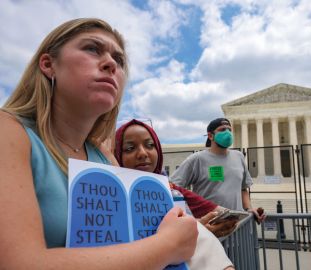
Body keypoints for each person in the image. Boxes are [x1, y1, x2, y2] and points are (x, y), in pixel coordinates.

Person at [0, 18, 197, 269]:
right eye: (92, 49)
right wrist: (168, 246)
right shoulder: (9, 130)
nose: (111, 63)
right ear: (48, 64)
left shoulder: (103, 156)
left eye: (120, 60)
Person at [114, 119, 236, 269]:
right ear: (116, 154)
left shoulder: (170, 190)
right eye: (129, 148)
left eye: (150, 145)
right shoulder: (111, 199)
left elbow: (203, 207)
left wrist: (197, 228)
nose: (142, 153)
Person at [171, 118, 265, 223]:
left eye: (229, 130)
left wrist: (249, 209)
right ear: (210, 136)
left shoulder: (239, 157)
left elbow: (243, 189)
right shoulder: (197, 159)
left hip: (237, 227)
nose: (228, 133)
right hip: (210, 227)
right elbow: (172, 188)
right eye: (222, 129)